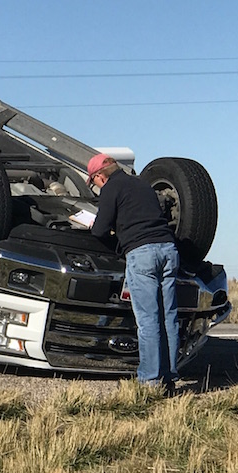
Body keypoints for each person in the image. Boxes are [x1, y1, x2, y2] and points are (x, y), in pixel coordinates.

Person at [87, 153, 180, 389]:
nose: (96, 187)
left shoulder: (110, 189)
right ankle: (168, 377)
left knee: (148, 320)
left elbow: (99, 230)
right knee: (168, 316)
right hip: (168, 249)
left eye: (94, 182)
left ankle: (148, 380)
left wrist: (103, 231)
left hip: (142, 254)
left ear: (99, 176)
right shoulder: (142, 184)